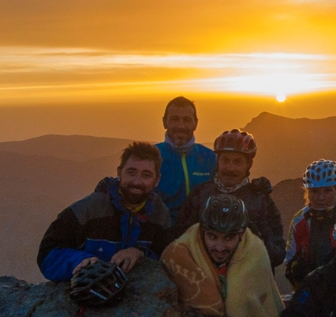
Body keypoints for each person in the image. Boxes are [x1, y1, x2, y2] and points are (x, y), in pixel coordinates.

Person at [37, 142, 173, 282]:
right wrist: (80, 260)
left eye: (146, 175)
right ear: (119, 172)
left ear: (157, 180)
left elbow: (166, 259)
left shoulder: (161, 216)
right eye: (131, 173)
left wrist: (140, 254)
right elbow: (47, 253)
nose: (137, 182)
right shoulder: (87, 209)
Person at [160, 194, 283, 317]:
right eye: (212, 237)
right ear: (202, 232)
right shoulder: (181, 254)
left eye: (228, 238)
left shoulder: (256, 255)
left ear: (240, 236)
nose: (219, 247)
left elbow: (267, 310)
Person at [173, 129, 286, 269]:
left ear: (248, 165)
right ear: (217, 161)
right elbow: (180, 242)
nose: (230, 168)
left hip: (248, 283)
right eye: (225, 160)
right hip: (206, 282)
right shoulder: (200, 196)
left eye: (238, 162)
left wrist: (254, 234)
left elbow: (278, 254)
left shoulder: (261, 201)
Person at [284, 159, 336, 292]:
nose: (321, 198)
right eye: (315, 192)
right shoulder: (299, 221)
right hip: (308, 292)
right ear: (308, 193)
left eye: (327, 191)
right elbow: (289, 259)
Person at [155, 96, 216, 224]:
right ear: (164, 122)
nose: (181, 125)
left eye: (187, 120)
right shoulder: (152, 157)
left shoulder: (210, 158)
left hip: (203, 236)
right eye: (174, 119)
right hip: (162, 234)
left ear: (196, 123)